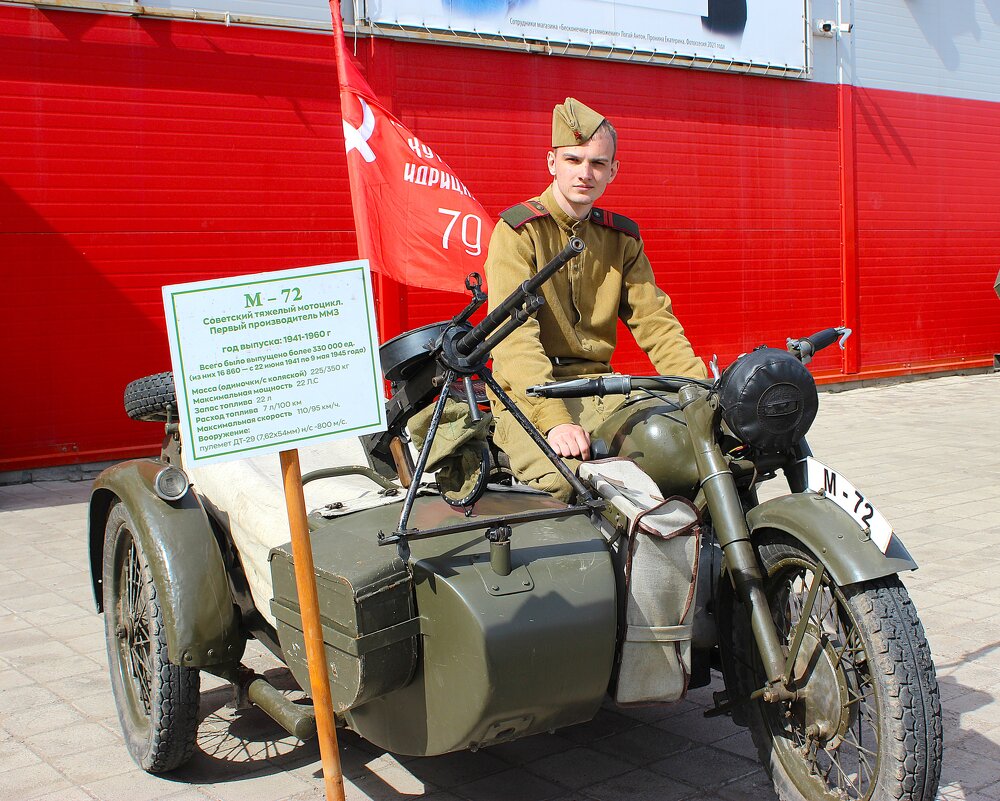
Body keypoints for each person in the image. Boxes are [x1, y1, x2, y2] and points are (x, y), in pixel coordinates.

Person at [485, 97, 707, 501]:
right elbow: (513, 340)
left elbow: (656, 323)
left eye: (598, 163)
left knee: (684, 456)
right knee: (573, 482)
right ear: (552, 163)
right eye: (573, 160)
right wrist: (553, 420)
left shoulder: (620, 239)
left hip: (600, 389)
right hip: (529, 393)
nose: (585, 173)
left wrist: (701, 393)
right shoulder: (519, 232)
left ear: (613, 171)